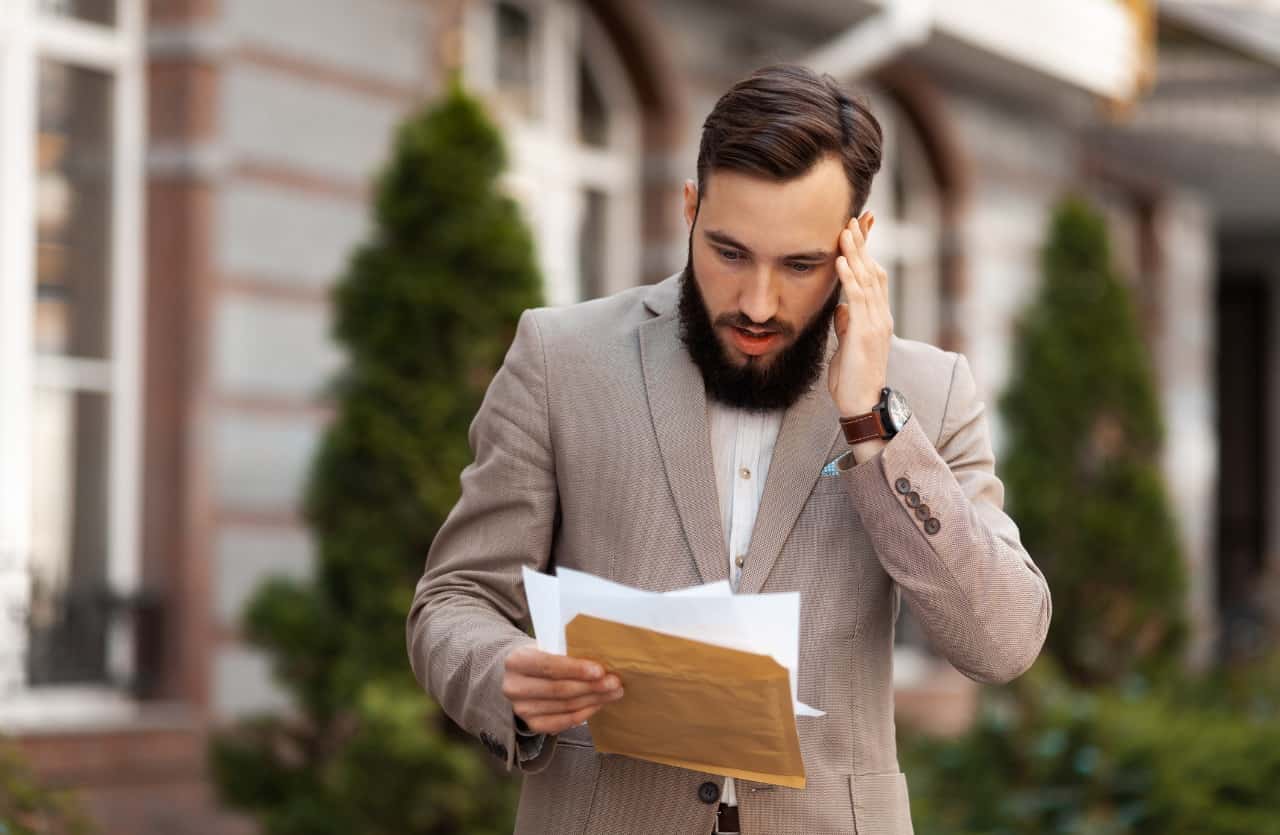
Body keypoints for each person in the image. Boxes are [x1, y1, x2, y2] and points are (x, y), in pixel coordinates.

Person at [407, 63, 1051, 835]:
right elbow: (453, 600)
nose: (756, 302)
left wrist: (874, 428)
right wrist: (501, 673)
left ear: (858, 244)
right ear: (690, 208)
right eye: (730, 252)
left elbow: (1003, 640)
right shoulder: (559, 358)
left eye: (800, 265)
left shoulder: (930, 392)